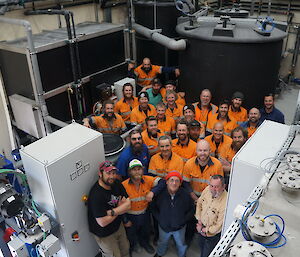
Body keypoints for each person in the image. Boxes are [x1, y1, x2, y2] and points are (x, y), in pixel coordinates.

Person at [182, 140, 224, 245]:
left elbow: (219, 185)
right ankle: (189, 239)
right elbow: (186, 184)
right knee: (191, 220)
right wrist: (195, 199)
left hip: (210, 200)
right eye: (200, 150)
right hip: (193, 198)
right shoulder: (189, 164)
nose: (202, 153)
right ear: (196, 151)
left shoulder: (217, 165)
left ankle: (205, 239)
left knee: (207, 220)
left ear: (210, 151)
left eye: (205, 150)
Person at [87, 161, 131, 257]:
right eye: (108, 173)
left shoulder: (116, 183)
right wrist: (120, 209)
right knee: (114, 255)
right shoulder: (96, 195)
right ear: (100, 174)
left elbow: (128, 205)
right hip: (104, 234)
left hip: (118, 226)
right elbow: (102, 222)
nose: (112, 176)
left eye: (114, 173)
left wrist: (111, 212)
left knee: (125, 249)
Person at [122, 159, 163, 255]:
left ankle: (145, 244)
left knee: (145, 232)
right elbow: (119, 205)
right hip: (130, 216)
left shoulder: (148, 180)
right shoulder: (123, 186)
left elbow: (162, 182)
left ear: (143, 170)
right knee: (131, 234)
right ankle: (133, 246)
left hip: (144, 214)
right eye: (134, 169)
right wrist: (125, 220)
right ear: (129, 171)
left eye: (139, 169)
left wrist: (153, 192)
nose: (137, 171)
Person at [152, 172, 194, 257]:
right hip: (164, 227)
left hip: (179, 228)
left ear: (180, 183)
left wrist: (183, 220)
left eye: (177, 181)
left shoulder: (185, 195)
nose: (174, 183)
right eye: (171, 180)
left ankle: (182, 255)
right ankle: (160, 253)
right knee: (162, 242)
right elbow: (153, 207)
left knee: (181, 243)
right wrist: (160, 219)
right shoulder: (159, 194)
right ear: (166, 182)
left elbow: (191, 209)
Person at [195, 175, 227, 257]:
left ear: (223, 186)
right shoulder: (207, 190)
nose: (213, 189)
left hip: (211, 236)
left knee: (207, 254)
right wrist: (199, 220)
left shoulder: (225, 202)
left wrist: (203, 230)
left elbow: (219, 226)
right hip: (200, 227)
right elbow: (199, 203)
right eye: (211, 186)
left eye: (216, 187)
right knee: (201, 248)